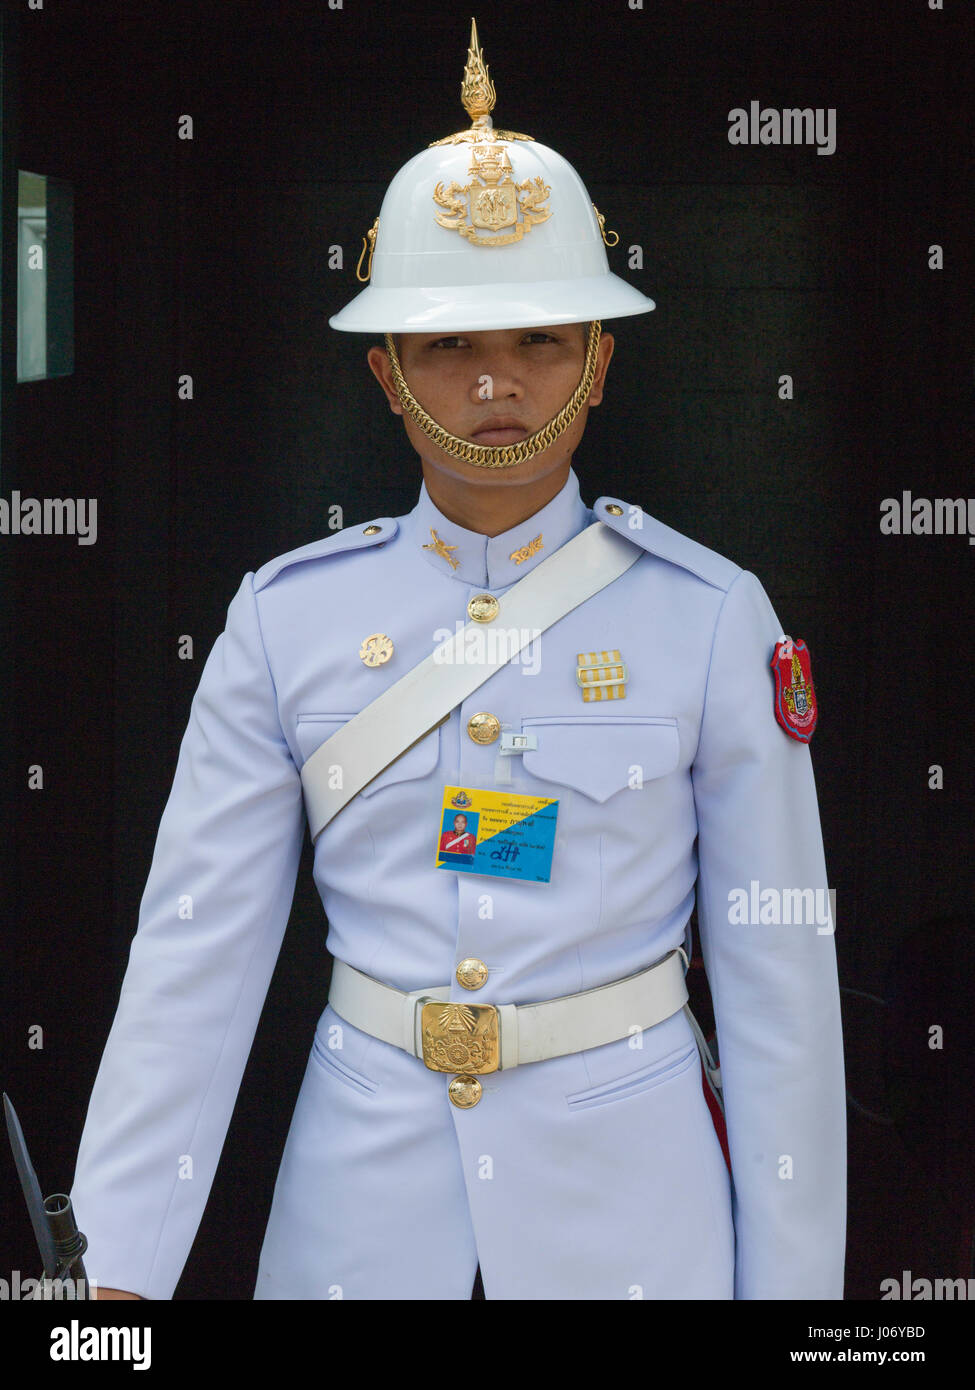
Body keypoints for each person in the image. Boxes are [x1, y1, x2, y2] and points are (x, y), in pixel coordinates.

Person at [77, 20, 845, 1301]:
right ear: (387, 376)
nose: (498, 381)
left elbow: (781, 995)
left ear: (599, 362)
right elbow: (192, 963)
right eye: (449, 347)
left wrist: (799, 1297)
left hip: (632, 1211)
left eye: (541, 340)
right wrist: (111, 1284)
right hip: (361, 1201)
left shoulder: (711, 617)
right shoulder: (287, 619)